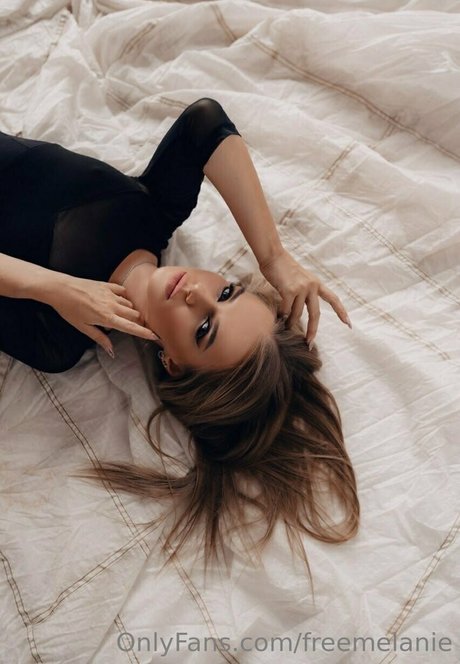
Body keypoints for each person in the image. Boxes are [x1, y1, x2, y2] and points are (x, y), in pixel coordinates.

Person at [0, 98, 359, 590]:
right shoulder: (156, 210)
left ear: (172, 363)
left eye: (204, 328)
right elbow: (205, 120)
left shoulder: (55, 340)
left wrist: (53, 288)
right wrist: (274, 257)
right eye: (226, 293)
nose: (196, 293)